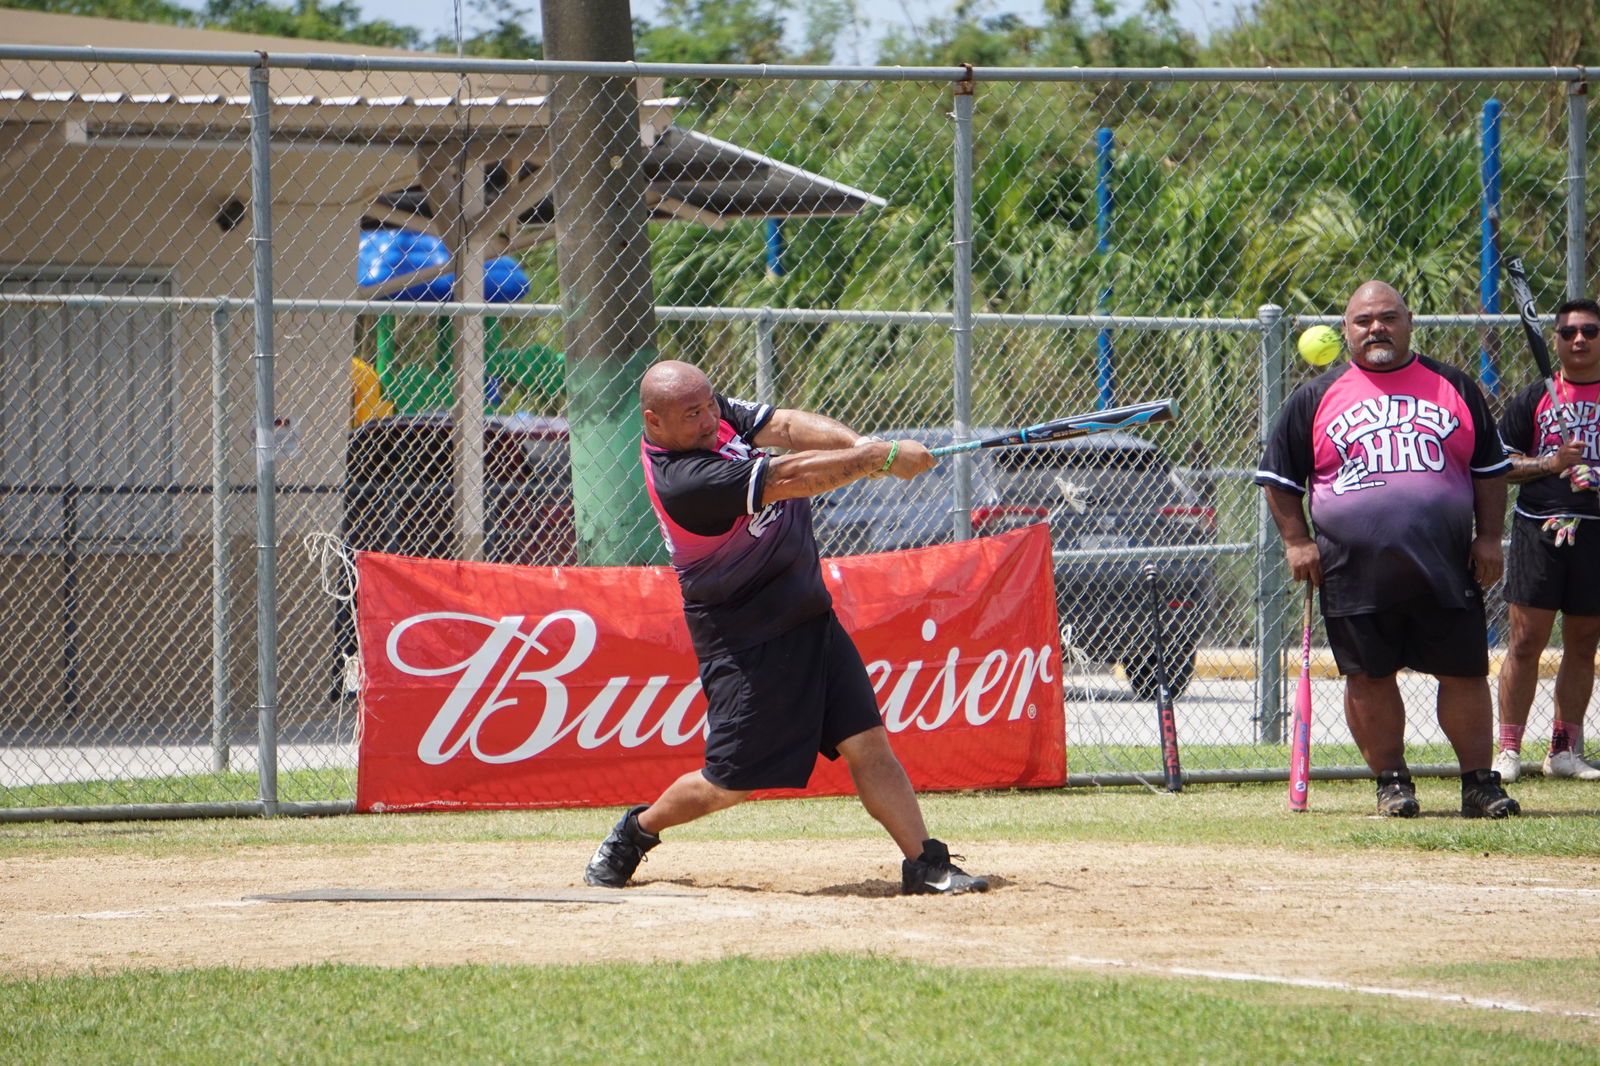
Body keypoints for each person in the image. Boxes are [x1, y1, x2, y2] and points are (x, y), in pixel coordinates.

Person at [582, 360, 990, 895]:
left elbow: (790, 427)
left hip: (809, 615)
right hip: (747, 640)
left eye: (709, 406)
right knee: (727, 785)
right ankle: (636, 831)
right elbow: (788, 477)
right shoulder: (684, 481)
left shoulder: (709, 412)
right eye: (691, 415)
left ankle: (925, 864)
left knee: (868, 744)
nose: (708, 419)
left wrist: (868, 447)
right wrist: (876, 459)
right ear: (654, 422)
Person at [1255, 281, 1519, 819]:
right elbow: (1278, 479)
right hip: (1353, 568)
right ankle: (1392, 782)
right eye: (1363, 320)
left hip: (1446, 562)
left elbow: (1490, 472)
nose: (1377, 328)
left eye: (1388, 317)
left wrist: (1489, 537)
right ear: (1346, 330)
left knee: (1464, 673)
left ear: (1409, 321)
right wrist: (1298, 541)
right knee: (1368, 676)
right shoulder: (1315, 397)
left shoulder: (1455, 386)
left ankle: (1479, 783)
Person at [1493, 297, 1600, 782]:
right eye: (1568, 332)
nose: (1578, 339)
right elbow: (1501, 465)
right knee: (1525, 641)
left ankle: (1563, 750)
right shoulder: (1535, 396)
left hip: (1596, 534)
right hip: (1539, 529)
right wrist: (1551, 465)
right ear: (1554, 340)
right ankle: (1508, 749)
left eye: (1590, 331)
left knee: (1583, 642)